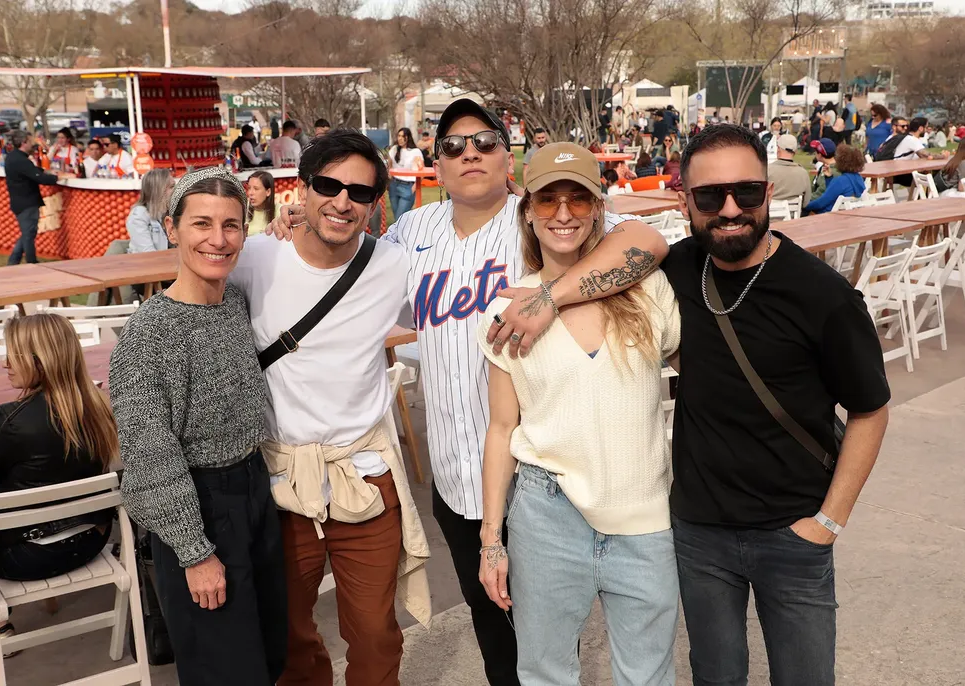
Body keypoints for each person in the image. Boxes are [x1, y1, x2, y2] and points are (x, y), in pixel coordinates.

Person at [266, 98, 670, 686]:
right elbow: (340, 259)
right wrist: (292, 224)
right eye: (454, 146)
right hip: (457, 474)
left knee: (547, 639)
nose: (470, 154)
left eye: (484, 142)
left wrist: (552, 296)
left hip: (536, 472)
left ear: (508, 156)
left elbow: (644, 239)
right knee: (492, 625)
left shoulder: (538, 219)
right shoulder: (410, 234)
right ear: (437, 163)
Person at [661, 123, 890, 686]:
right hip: (700, 530)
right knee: (715, 677)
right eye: (710, 196)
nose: (731, 209)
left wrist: (828, 523)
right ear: (685, 201)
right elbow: (610, 244)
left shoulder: (824, 298)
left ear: (769, 191)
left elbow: (870, 411)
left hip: (796, 530)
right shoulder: (676, 270)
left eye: (748, 192)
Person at [231, 128, 431, 686]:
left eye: (360, 193)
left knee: (373, 635)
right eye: (328, 184)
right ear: (302, 188)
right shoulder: (254, 259)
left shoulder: (393, 265)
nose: (342, 201)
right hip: (280, 477)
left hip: (363, 474)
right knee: (290, 635)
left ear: (373, 205)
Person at [477, 143, 681, 685]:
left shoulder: (646, 289)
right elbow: (501, 430)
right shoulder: (506, 313)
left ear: (597, 208)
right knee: (545, 673)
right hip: (546, 516)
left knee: (648, 675)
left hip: (643, 512)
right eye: (547, 200)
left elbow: (700, 368)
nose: (563, 213)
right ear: (527, 209)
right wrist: (491, 542)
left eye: (577, 199)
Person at [109, 168, 286, 686]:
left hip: (254, 489)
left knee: (269, 652)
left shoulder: (233, 303)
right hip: (199, 506)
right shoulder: (147, 335)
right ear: (172, 228)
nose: (218, 239)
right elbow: (149, 452)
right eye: (202, 224)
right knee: (225, 670)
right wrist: (194, 550)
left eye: (232, 226)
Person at [0, 314, 118, 641]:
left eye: (15, 355)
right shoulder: (99, 407)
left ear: (41, 361)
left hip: (24, 559)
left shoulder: (7, 421)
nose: (5, 363)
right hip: (91, 542)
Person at [4, 130, 60, 265]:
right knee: (29, 235)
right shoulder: (21, 160)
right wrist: (56, 177)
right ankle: (31, 262)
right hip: (26, 202)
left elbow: (32, 172)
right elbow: (38, 177)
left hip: (20, 201)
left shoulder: (13, 157)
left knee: (27, 233)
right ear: (24, 142)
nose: (33, 144)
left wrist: (43, 172)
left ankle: (13, 262)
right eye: (30, 141)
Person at [805, 144, 866, 214]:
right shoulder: (858, 178)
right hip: (848, 213)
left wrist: (804, 205)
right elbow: (833, 193)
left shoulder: (841, 181)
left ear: (841, 161)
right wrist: (829, 178)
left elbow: (821, 202)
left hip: (829, 215)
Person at [127, 168, 175, 253]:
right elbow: (148, 253)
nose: (176, 190)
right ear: (159, 190)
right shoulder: (138, 216)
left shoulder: (166, 212)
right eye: (171, 187)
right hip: (145, 264)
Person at [388, 127, 425, 219]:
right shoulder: (394, 149)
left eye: (403, 136)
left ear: (408, 137)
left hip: (408, 186)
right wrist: (388, 183)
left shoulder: (415, 151)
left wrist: (413, 188)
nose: (400, 138)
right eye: (399, 136)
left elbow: (422, 172)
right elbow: (389, 167)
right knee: (397, 220)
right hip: (394, 185)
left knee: (400, 218)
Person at [768, 133, 812, 210]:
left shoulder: (767, 170)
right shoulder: (803, 173)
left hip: (770, 217)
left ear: (778, 149)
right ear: (795, 152)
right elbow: (806, 203)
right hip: (793, 217)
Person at [246, 170, 275, 236]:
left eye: (256, 189)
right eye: (249, 188)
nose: (250, 193)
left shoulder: (279, 211)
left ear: (268, 192)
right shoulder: (243, 210)